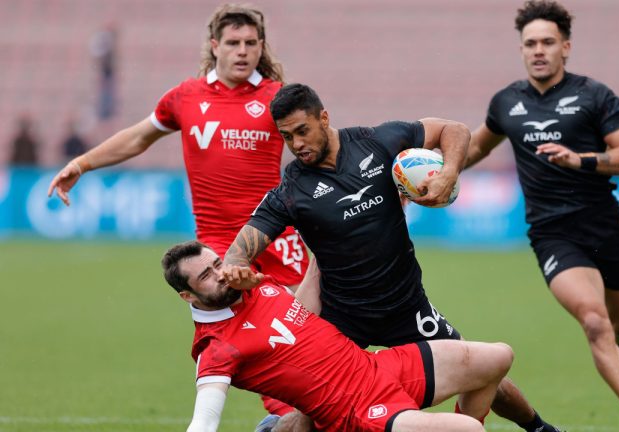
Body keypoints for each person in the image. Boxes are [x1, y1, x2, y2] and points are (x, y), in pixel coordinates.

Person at [224, 83, 561, 432]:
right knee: (314, 415)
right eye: (286, 137)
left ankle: (539, 428)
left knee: (480, 369)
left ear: (324, 118)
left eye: (302, 131)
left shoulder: (377, 141)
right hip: (343, 319)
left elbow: (454, 130)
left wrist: (449, 173)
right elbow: (241, 247)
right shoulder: (292, 189)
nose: (296, 145)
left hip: (406, 306)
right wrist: (235, 268)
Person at [464, 2, 619, 431]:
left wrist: (580, 161)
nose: (538, 51)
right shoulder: (506, 102)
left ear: (566, 47)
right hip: (552, 234)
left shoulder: (595, 96)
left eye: (547, 42)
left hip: (603, 225)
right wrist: (432, 172)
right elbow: (475, 148)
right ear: (521, 50)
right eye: (530, 44)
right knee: (594, 321)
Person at [47, 4, 308, 289]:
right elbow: (138, 137)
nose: (242, 51)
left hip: (274, 235)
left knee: (303, 324)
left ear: (261, 46)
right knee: (228, 327)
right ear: (215, 46)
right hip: (217, 243)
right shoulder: (186, 97)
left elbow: (315, 147)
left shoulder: (279, 97)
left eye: (250, 43)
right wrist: (81, 163)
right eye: (233, 43)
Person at [162, 240, 513, 432]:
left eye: (217, 263)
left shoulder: (256, 285)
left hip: (377, 369)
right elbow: (204, 421)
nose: (220, 274)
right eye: (206, 276)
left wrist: (321, 237)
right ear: (188, 296)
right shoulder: (215, 348)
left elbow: (302, 308)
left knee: (498, 357)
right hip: (355, 411)